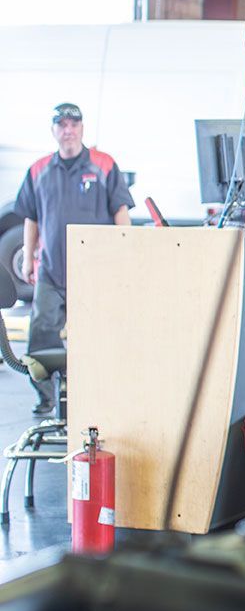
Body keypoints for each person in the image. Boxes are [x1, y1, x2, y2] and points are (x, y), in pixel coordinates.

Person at [15, 103, 134, 413]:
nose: (67, 130)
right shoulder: (39, 170)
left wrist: (126, 253)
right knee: (41, 338)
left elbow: (120, 211)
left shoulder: (104, 165)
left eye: (73, 124)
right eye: (61, 125)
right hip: (51, 272)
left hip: (96, 273)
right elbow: (31, 217)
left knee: (100, 335)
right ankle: (46, 398)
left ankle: (100, 395)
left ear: (82, 128)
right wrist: (29, 259)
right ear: (54, 130)